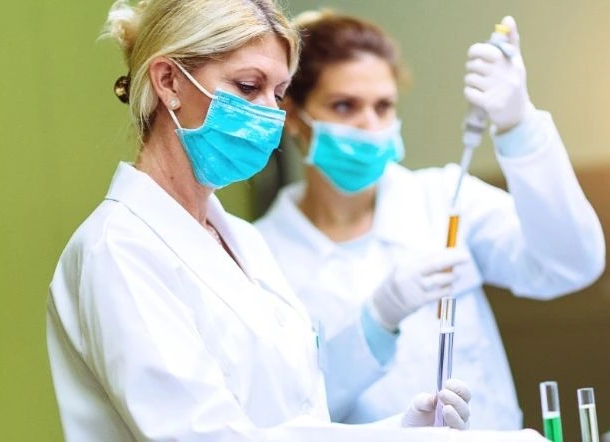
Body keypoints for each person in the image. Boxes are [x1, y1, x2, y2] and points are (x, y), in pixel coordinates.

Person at [44, 1, 550, 441]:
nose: (269, 115)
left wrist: (397, 429)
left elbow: (291, 414)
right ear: (169, 80)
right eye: (248, 86)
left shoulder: (240, 240)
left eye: (279, 93)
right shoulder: (119, 249)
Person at [255, 10, 606, 430]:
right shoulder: (262, 255)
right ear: (292, 114)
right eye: (345, 106)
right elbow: (287, 413)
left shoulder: (444, 199)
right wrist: (375, 322)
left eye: (383, 106)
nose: (370, 126)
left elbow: (571, 264)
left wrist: (518, 124)